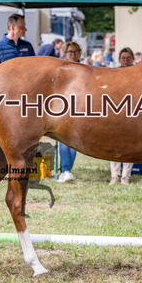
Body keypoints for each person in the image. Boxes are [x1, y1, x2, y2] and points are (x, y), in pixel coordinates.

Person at [57, 42, 83, 183]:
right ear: (65, 53)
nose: (73, 54)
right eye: (70, 51)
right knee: (63, 138)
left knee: (74, 139)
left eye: (75, 51)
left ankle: (67, 170)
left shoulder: (86, 69)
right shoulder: (61, 69)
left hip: (80, 107)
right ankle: (65, 170)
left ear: (80, 53)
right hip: (63, 106)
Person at [110, 47, 135, 185]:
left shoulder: (138, 73)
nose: (125, 60)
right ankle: (114, 175)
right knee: (114, 143)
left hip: (132, 111)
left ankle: (126, 176)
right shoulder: (114, 73)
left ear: (133, 59)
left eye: (128, 58)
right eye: (123, 58)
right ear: (119, 59)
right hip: (116, 111)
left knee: (129, 145)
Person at [0, 14, 35, 79]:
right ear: (12, 28)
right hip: (5, 85)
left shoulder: (28, 46)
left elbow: (34, 69)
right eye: (22, 27)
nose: (25, 29)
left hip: (25, 85)